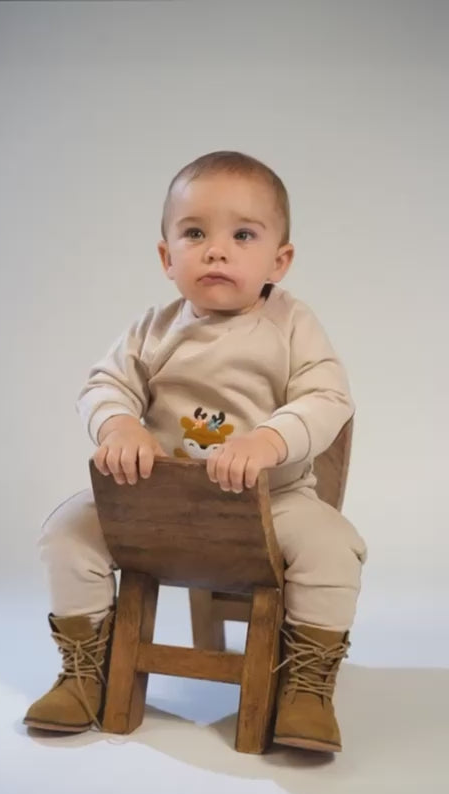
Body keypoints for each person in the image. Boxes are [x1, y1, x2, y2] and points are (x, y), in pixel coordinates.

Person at [24, 150, 367, 752]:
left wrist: (268, 439)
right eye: (194, 233)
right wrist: (119, 426)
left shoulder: (290, 325)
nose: (216, 249)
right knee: (66, 533)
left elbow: (327, 396)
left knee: (334, 547)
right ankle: (85, 668)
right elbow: (103, 384)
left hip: (269, 501)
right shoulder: (152, 329)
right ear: (167, 257)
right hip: (154, 504)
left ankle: (307, 686)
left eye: (242, 234)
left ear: (278, 260)